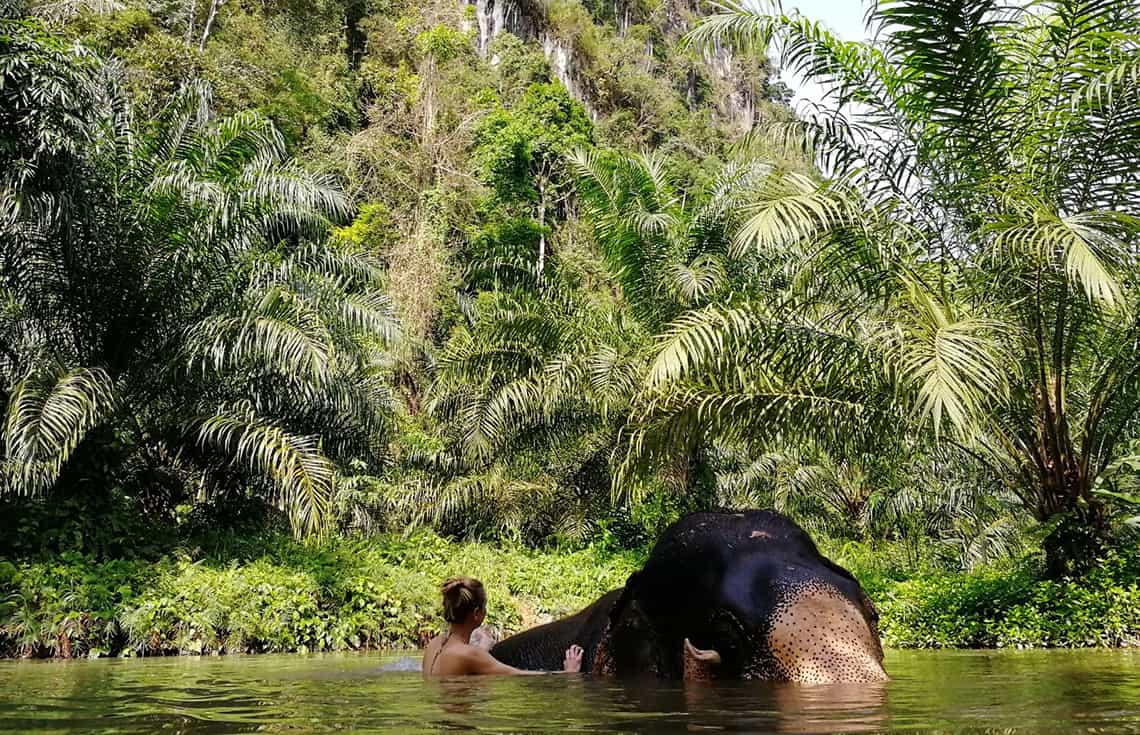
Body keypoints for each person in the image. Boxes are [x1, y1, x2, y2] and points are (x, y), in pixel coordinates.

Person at [423, 576, 583, 677]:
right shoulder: (470, 654)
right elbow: (520, 675)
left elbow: (459, 666)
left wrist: (482, 651)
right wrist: (568, 673)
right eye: (485, 606)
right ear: (477, 613)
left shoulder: (434, 644)